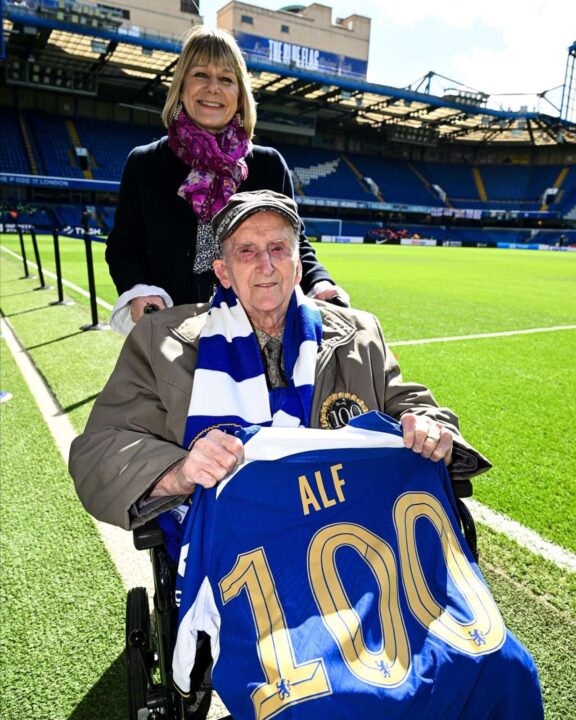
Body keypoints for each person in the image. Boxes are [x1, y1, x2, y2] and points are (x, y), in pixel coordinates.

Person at [70, 189, 490, 530]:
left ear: (296, 264)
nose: (266, 265)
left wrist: (430, 429)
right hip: (228, 554)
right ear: (222, 271)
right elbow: (99, 450)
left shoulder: (358, 332)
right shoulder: (161, 340)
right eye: (247, 251)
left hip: (353, 536)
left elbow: (412, 406)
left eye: (277, 248)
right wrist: (178, 471)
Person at [106, 26, 347, 335]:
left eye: (226, 79)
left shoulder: (269, 166)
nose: (213, 88)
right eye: (201, 75)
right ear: (181, 86)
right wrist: (138, 290)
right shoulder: (145, 163)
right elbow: (123, 246)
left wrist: (320, 283)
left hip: (253, 331)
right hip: (169, 330)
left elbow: (294, 243)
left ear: (240, 94)